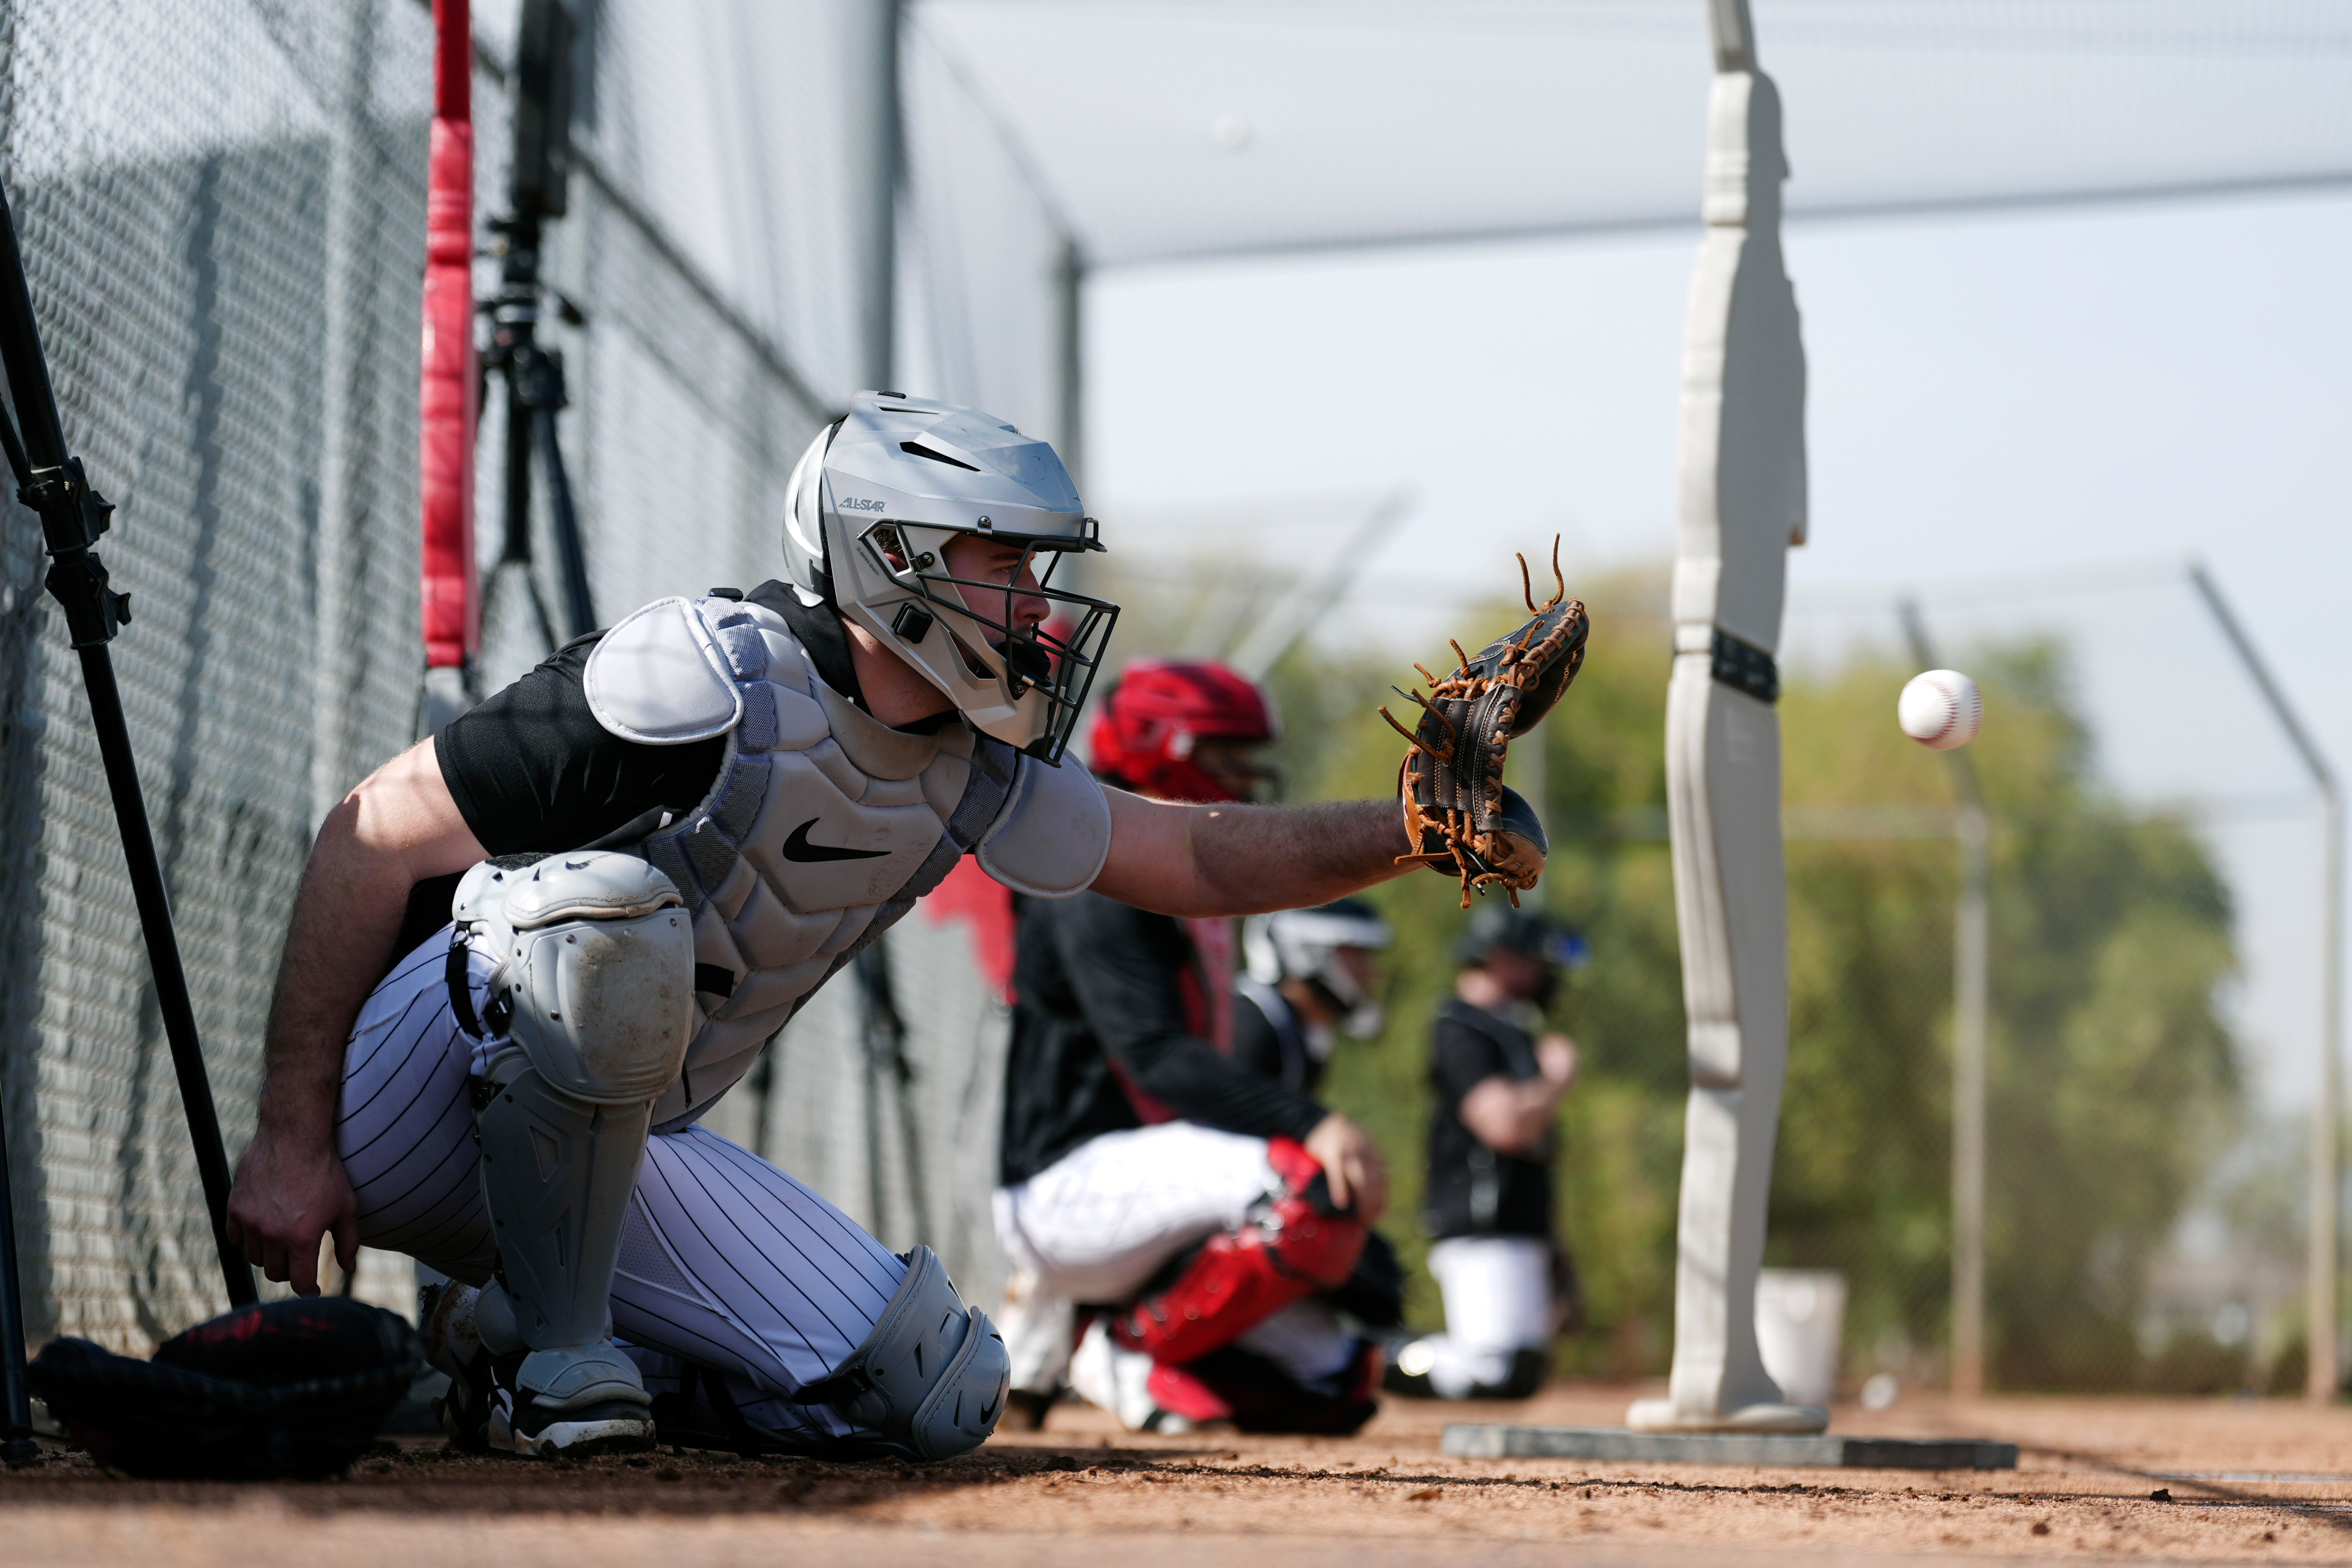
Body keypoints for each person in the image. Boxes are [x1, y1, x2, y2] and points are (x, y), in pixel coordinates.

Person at [223, 395, 1497, 1462]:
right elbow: (371, 827)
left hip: (609, 1154)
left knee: (938, 1388)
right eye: (1005, 564)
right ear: (894, 557)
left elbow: (1197, 851)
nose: (1038, 608)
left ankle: (499, 1337)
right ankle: (560, 1360)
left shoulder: (973, 762)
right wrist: (291, 1136)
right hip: (398, 1107)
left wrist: (1409, 825)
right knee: (602, 908)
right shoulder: (700, 676)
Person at [994, 661, 1394, 1435]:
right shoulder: (1090, 867)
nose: (1245, 773)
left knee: (1338, 1386)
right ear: (1160, 746)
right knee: (1307, 1180)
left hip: (1132, 1186)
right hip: (1064, 1185)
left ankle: (1058, 1350)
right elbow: (1155, 1057)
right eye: (1224, 753)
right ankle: (1119, 1346)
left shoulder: (1166, 861)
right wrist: (1314, 1121)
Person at [1385, 903, 1584, 1401]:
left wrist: (1556, 1252)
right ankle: (1368, 1359)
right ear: (1500, 958)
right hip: (1480, 1226)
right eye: (1534, 960)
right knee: (1493, 1371)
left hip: (1517, 1226)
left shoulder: (1514, 1031)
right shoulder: (1460, 1026)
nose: (1544, 975)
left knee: (1522, 1372)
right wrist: (1554, 1082)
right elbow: (1503, 1125)